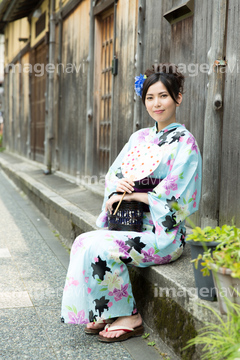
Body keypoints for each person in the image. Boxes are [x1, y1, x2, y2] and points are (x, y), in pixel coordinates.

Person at [61, 63, 202, 343]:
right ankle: (106, 308)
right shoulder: (139, 138)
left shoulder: (185, 143)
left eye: (163, 96)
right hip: (130, 222)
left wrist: (138, 194)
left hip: (161, 235)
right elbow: (114, 175)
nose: (156, 103)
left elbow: (178, 194)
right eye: (150, 97)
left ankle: (130, 315)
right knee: (83, 241)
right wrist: (118, 187)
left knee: (102, 246)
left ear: (178, 97)